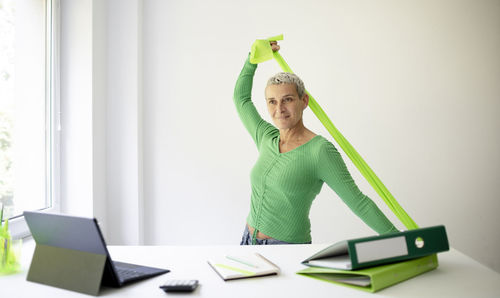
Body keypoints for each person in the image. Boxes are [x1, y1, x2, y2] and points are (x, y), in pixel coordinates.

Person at [235, 41, 399, 245]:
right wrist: (252, 60)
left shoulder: (320, 151)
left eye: (287, 99)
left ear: (304, 101)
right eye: (272, 101)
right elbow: (241, 99)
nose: (279, 108)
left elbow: (359, 202)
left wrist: (401, 241)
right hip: (247, 241)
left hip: (287, 248)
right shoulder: (266, 136)